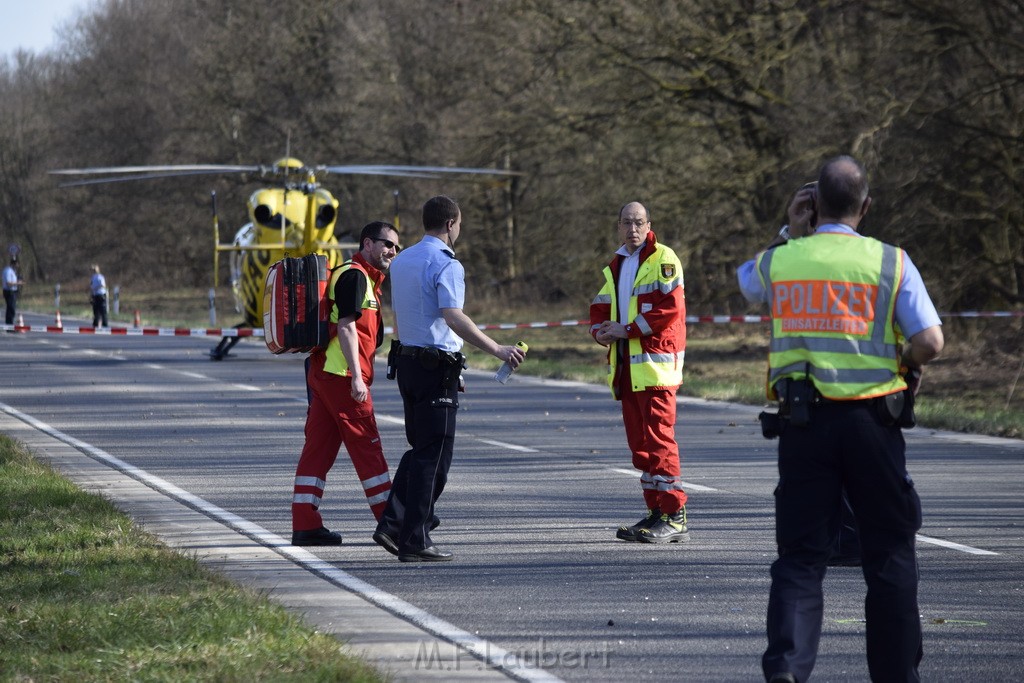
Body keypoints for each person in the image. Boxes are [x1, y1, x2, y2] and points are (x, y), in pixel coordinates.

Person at [737, 155, 944, 683]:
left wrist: (790, 230)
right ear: (866, 206)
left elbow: (747, 285)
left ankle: (786, 669)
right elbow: (930, 341)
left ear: (814, 205)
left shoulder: (784, 259)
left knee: (801, 559)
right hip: (875, 425)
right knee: (889, 557)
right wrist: (908, 365)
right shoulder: (891, 263)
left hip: (805, 426)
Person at [372, 195, 525, 562]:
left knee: (420, 449)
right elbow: (452, 315)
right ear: (452, 224)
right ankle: (415, 538)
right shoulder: (446, 263)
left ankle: (393, 524)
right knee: (435, 457)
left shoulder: (404, 259)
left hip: (407, 364)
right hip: (432, 367)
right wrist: (498, 350)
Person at [291, 221, 400, 546]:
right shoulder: (355, 276)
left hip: (325, 374)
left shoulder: (365, 279)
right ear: (367, 243)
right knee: (368, 447)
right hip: (341, 376)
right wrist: (356, 375)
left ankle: (305, 523)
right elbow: (348, 327)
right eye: (387, 244)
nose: (392, 251)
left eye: (397, 246)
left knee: (318, 449)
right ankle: (393, 524)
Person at [589, 201, 689, 544]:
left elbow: (669, 309)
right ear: (618, 227)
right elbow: (600, 307)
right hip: (627, 372)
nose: (633, 229)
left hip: (656, 370)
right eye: (627, 223)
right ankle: (656, 511)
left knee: (660, 441)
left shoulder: (664, 258)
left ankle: (675, 515)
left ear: (649, 225)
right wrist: (599, 331)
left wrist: (626, 330)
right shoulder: (616, 264)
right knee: (641, 447)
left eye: (639, 222)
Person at [3, 257, 23, 325]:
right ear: (13, 264)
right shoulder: (8, 271)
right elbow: (8, 283)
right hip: (10, 292)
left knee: (10, 309)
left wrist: (17, 281)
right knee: (11, 309)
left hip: (12, 292)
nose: (17, 266)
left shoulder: (12, 271)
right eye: (17, 264)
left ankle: (9, 325)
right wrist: (18, 283)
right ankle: (9, 326)